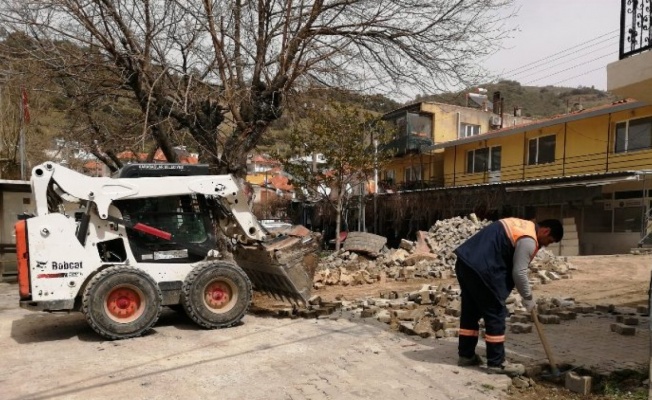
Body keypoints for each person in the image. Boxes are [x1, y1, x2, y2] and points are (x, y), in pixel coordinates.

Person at [453, 217, 563, 376]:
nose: (546, 245)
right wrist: (528, 298)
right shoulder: (529, 239)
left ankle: (466, 355)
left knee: (471, 311)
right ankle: (497, 363)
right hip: (483, 268)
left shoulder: (522, 226)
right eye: (549, 240)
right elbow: (519, 272)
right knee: (496, 312)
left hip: (466, 263)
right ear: (545, 231)